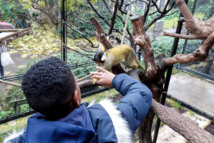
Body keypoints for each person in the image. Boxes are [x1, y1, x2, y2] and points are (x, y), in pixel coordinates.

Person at [4, 57, 152, 143]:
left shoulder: (21, 139)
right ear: (76, 97)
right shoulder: (107, 122)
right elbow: (142, 93)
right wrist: (115, 79)